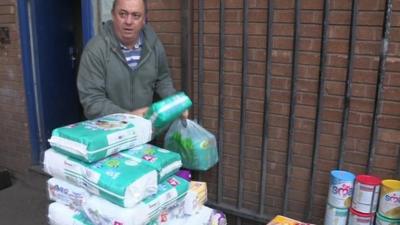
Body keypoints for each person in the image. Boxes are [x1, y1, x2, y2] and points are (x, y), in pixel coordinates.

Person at [77, 0, 188, 120]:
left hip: (145, 130)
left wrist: (176, 103)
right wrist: (129, 116)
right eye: (123, 14)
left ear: (144, 19)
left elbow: (163, 80)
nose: (128, 21)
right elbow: (92, 101)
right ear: (113, 15)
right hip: (108, 132)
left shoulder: (154, 45)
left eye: (136, 15)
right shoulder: (95, 50)